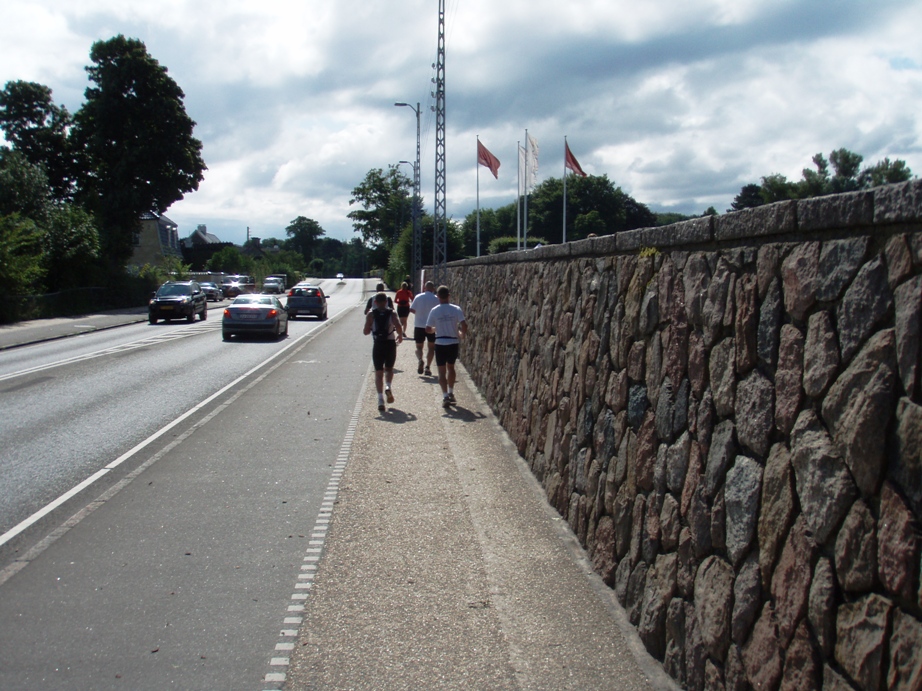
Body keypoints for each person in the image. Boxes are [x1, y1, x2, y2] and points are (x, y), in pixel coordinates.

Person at [425, 285, 467, 409]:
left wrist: (435, 329)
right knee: (451, 368)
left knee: (441, 371)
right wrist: (462, 334)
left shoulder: (435, 310)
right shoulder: (456, 309)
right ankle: (451, 391)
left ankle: (444, 396)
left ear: (438, 297)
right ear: (449, 295)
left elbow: (427, 329)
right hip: (453, 342)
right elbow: (464, 324)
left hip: (440, 342)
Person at [364, 292, 403, 412]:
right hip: (390, 344)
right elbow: (398, 325)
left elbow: (365, 331)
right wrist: (400, 335)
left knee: (378, 372)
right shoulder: (392, 312)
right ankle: (388, 386)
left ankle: (380, 400)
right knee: (389, 369)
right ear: (386, 302)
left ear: (375, 302)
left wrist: (371, 327)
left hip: (378, 344)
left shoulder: (371, 314)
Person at [409, 281, 439, 376]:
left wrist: (419, 313)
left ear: (424, 287)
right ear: (433, 289)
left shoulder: (418, 297)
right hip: (431, 326)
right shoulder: (436, 299)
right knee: (431, 347)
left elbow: (412, 310)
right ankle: (428, 367)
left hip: (419, 325)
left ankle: (420, 360)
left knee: (419, 347)